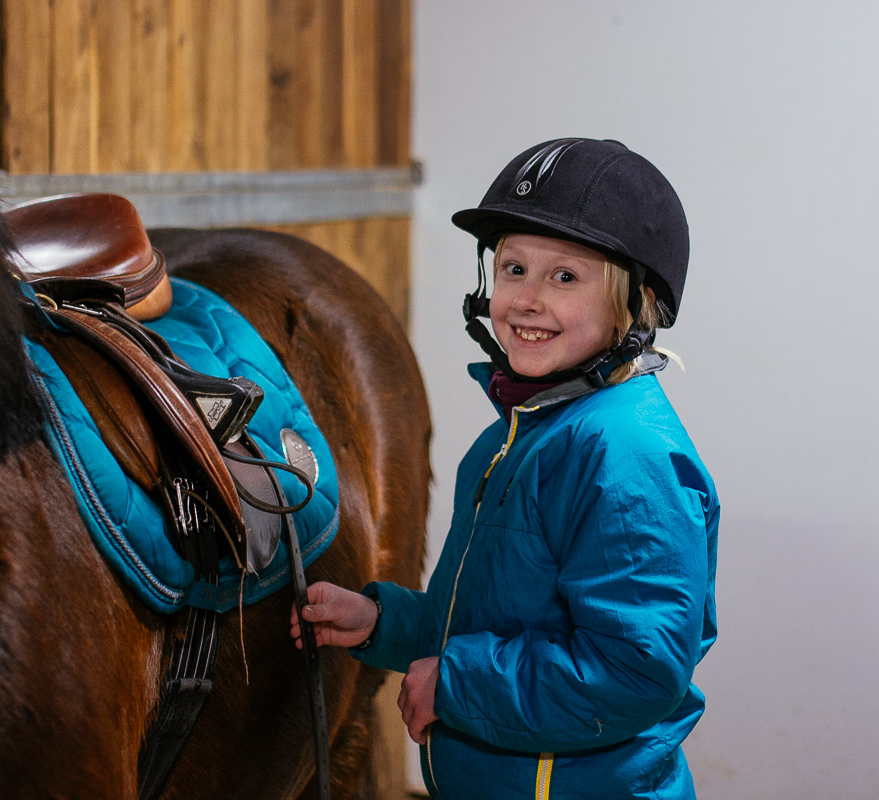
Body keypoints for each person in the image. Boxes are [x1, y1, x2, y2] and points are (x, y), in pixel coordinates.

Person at [290, 138, 718, 799]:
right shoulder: (521, 430)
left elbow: (633, 670)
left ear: (633, 306)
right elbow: (491, 619)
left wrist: (456, 685)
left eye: (565, 277)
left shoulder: (625, 456)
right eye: (513, 268)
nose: (525, 299)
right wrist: (385, 624)